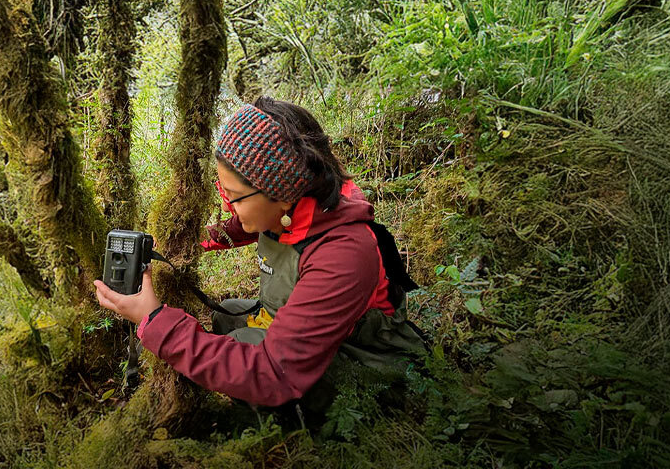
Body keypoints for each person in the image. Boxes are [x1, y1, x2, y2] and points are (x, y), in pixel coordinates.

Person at [92, 98, 426, 414]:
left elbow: (272, 372)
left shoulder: (344, 253)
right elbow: (238, 228)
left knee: (241, 344)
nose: (227, 206)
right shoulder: (292, 205)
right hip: (312, 326)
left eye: (234, 196)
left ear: (281, 194)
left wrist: (154, 321)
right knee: (226, 316)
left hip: (367, 356)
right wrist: (186, 243)